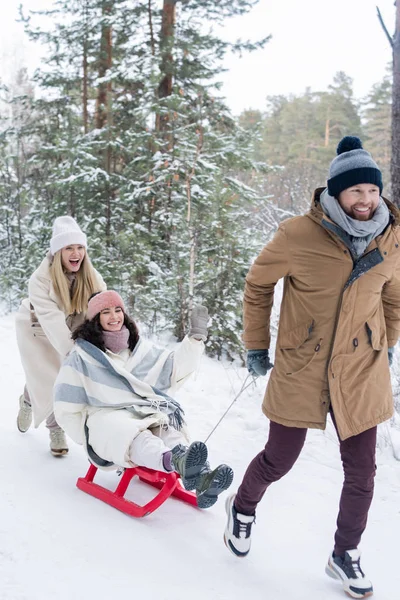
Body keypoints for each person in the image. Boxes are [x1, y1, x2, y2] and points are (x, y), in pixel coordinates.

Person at [223, 136, 400, 598]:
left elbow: (394, 296)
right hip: (304, 364)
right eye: (356, 191)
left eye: (372, 191)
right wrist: (256, 346)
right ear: (336, 192)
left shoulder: (392, 236)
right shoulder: (297, 234)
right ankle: (242, 508)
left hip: (362, 367)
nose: (366, 200)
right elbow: (257, 285)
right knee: (279, 459)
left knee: (363, 472)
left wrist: (388, 344)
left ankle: (345, 553)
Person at [53, 290, 234, 509]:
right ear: (95, 320)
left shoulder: (139, 349)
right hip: (104, 414)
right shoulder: (82, 355)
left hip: (142, 409)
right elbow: (66, 401)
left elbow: (173, 367)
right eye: (106, 312)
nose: (114, 317)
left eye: (118, 310)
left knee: (166, 429)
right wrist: (84, 434)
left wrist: (195, 338)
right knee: (131, 434)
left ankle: (203, 476)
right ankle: (176, 462)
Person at [15, 216, 106, 456]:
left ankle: (28, 398)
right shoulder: (40, 279)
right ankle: (54, 426)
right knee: (50, 376)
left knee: (57, 377)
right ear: (58, 252)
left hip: (72, 325)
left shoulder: (90, 274)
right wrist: (71, 351)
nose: (76, 253)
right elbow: (51, 318)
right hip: (38, 328)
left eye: (80, 247)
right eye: (69, 248)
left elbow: (102, 305)